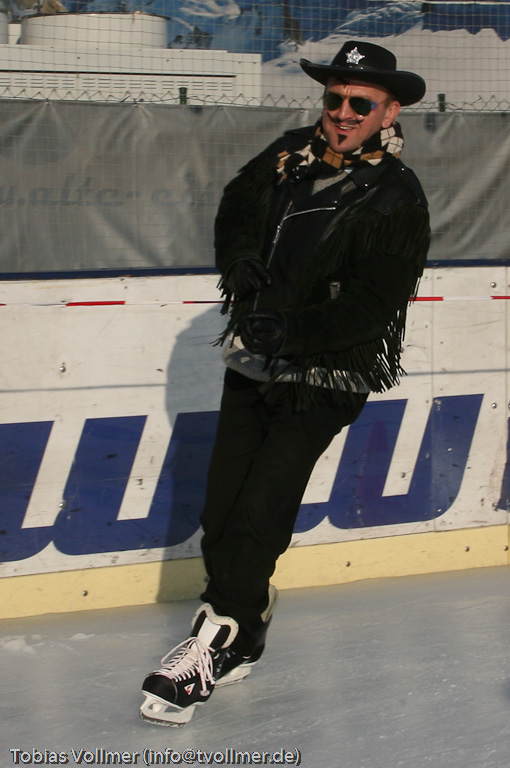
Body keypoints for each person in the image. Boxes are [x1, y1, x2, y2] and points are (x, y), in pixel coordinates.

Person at [140, 39, 430, 727]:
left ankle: (214, 641)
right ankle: (248, 626)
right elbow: (238, 208)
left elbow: (373, 306)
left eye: (360, 103)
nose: (342, 113)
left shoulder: (397, 197)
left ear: (389, 112)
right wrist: (240, 259)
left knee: (258, 513)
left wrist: (290, 330)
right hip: (255, 361)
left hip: (326, 377)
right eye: (334, 98)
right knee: (221, 512)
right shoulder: (288, 155)